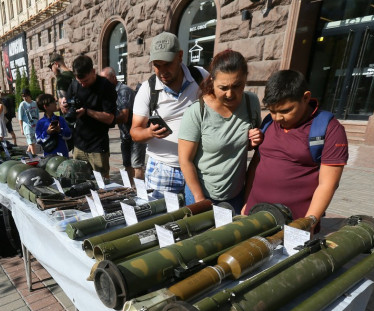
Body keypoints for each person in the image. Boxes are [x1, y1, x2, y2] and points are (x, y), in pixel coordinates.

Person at [243, 70, 348, 232]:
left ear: (305, 98)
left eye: (285, 111)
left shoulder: (330, 129)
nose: (277, 118)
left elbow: (328, 184)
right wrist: (246, 202)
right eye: (272, 110)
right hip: (254, 214)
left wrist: (309, 222)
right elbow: (258, 163)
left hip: (294, 223)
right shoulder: (270, 122)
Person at [178, 50, 262, 213]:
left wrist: (255, 140)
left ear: (245, 79)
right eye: (223, 88)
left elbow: (248, 146)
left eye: (237, 86)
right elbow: (185, 160)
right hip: (201, 193)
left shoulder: (251, 103)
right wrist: (199, 199)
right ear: (212, 81)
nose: (230, 94)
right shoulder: (198, 111)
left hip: (236, 194)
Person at [131, 32, 208, 195]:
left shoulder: (200, 76)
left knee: (197, 218)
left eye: (167, 64)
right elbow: (134, 132)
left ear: (180, 56)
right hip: (162, 169)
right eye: (157, 65)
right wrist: (149, 132)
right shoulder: (147, 89)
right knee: (162, 218)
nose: (162, 71)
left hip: (198, 167)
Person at [65, 55, 117, 178]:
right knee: (78, 181)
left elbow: (110, 118)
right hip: (79, 145)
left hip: (97, 146)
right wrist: (63, 105)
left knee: (102, 185)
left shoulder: (106, 87)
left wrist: (87, 112)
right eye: (80, 82)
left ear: (93, 72)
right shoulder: (74, 84)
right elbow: (67, 106)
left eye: (86, 81)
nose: (82, 85)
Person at [99, 67, 147, 181]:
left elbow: (124, 116)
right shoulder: (111, 92)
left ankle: (139, 193)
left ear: (113, 77)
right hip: (125, 134)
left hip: (136, 133)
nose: (103, 82)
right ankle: (131, 190)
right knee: (127, 165)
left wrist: (107, 119)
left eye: (105, 79)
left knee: (137, 165)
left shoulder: (123, 91)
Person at [35, 93, 71, 158]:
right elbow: (38, 140)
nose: (55, 103)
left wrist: (60, 130)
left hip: (63, 155)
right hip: (49, 157)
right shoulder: (40, 123)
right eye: (53, 102)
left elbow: (69, 135)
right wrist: (47, 132)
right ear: (46, 107)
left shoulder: (60, 119)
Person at [18, 88, 40, 154]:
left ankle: (27, 154)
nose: (24, 98)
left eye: (26, 96)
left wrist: (38, 124)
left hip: (35, 125)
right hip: (27, 127)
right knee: (31, 143)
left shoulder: (34, 103)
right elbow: (20, 118)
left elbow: (37, 114)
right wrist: (21, 129)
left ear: (29, 95)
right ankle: (34, 156)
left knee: (32, 142)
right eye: (23, 96)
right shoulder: (22, 105)